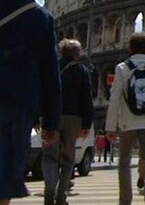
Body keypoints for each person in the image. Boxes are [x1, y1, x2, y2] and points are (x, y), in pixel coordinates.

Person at [0, 0, 61, 205]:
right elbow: (49, 74)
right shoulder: (40, 18)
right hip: (15, 108)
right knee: (2, 180)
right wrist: (50, 123)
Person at [105, 32, 145, 205]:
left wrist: (110, 127)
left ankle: (125, 199)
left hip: (128, 122)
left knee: (124, 162)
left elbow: (114, 99)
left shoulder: (122, 68)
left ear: (130, 48)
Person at [42, 38, 94, 205]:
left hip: (52, 115)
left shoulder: (51, 68)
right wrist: (86, 124)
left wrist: (37, 118)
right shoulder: (82, 70)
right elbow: (87, 98)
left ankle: (49, 192)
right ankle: (61, 196)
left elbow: (41, 92)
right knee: (68, 158)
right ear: (77, 54)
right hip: (74, 118)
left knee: (50, 156)